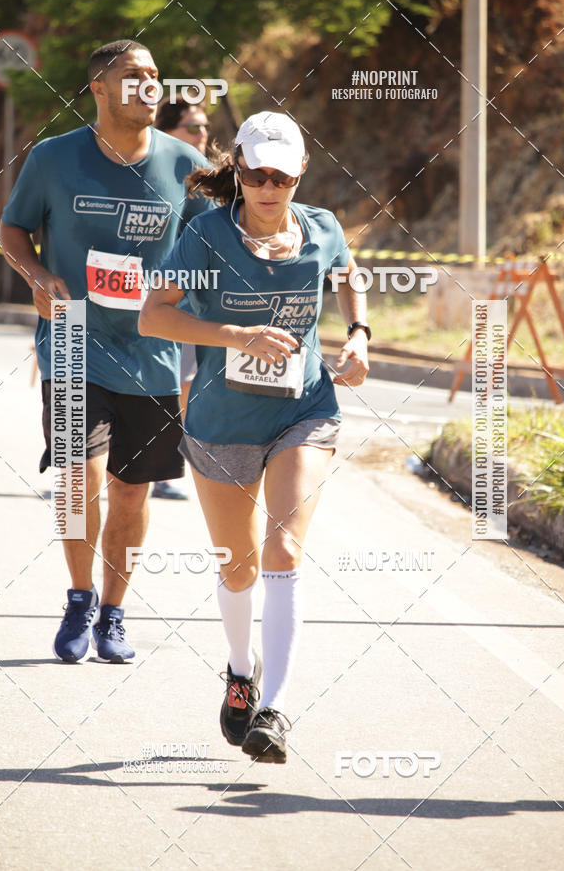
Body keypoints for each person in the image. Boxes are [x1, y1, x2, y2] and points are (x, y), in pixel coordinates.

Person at [139, 111, 370, 762]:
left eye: (282, 176)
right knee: (236, 564)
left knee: (284, 549)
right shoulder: (207, 235)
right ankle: (242, 673)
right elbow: (155, 317)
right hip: (221, 421)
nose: (269, 187)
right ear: (238, 171)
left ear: (300, 176)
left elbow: (349, 276)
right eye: (257, 174)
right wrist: (235, 336)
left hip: (305, 411)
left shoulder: (321, 227)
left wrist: (358, 336)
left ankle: (277, 710)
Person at [0, 39, 211, 663]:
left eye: (155, 75)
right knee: (77, 478)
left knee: (130, 491)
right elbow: (12, 229)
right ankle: (78, 596)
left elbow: (214, 241)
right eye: (132, 76)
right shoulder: (53, 158)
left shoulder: (183, 163)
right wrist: (39, 278)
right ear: (98, 87)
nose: (149, 86)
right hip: (71, 341)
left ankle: (114, 611)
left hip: (152, 355)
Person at [151, 99, 210, 500]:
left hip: (189, 304)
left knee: (183, 386)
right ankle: (142, 463)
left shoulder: (205, 179)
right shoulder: (152, 172)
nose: (201, 134)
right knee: (152, 382)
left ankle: (162, 468)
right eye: (192, 127)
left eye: (204, 126)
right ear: (168, 131)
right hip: (146, 300)